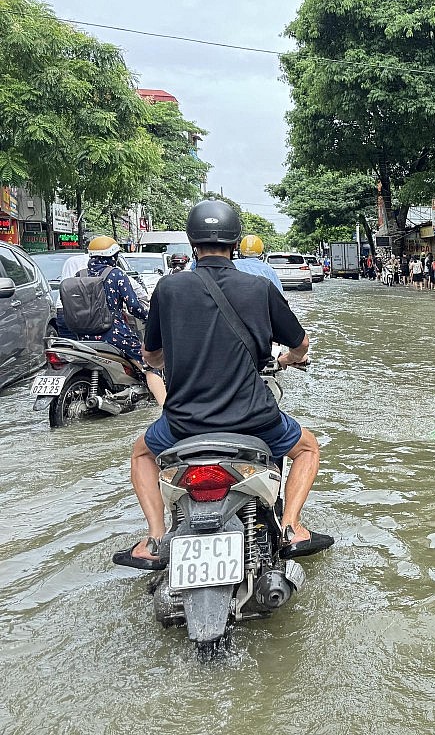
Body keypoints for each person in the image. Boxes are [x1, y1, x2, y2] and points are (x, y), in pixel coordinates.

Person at [112, 199, 333, 570]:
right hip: (255, 420)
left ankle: (153, 538)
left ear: (191, 241)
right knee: (308, 449)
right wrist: (293, 359)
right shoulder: (260, 287)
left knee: (141, 454)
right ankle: (292, 527)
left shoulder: (168, 288)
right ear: (236, 241)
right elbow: (301, 344)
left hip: (184, 423)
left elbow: (151, 356)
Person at [74, 235, 167, 404]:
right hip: (113, 334)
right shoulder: (116, 274)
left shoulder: (80, 275)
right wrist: (150, 317)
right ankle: (165, 409)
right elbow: (133, 306)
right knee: (150, 365)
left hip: (83, 336)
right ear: (113, 257)